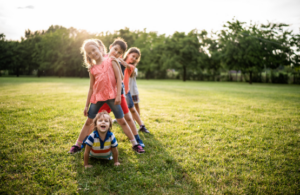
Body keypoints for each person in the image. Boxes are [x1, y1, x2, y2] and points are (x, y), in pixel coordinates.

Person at [68, 39, 144, 154]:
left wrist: (118, 95)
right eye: (89, 53)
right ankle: (78, 145)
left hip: (113, 97)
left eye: (94, 50)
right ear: (87, 56)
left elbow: (119, 78)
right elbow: (91, 88)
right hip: (97, 98)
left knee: (122, 121)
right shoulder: (92, 69)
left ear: (99, 48)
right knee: (89, 121)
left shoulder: (111, 60)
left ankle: (135, 144)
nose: (92, 53)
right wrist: (86, 105)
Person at [87, 38, 145, 147]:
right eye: (115, 49)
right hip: (103, 96)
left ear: (122, 55)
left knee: (127, 117)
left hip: (118, 95)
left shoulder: (119, 62)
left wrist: (122, 63)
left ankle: (137, 138)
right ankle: (88, 139)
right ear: (110, 47)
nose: (116, 53)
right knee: (96, 118)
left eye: (119, 53)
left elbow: (121, 77)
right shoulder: (102, 58)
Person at [120, 47, 150, 133]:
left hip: (126, 91)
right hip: (117, 90)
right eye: (133, 56)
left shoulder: (131, 67)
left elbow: (126, 65)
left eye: (136, 58)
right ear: (128, 54)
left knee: (132, 109)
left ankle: (141, 126)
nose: (134, 59)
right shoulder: (120, 61)